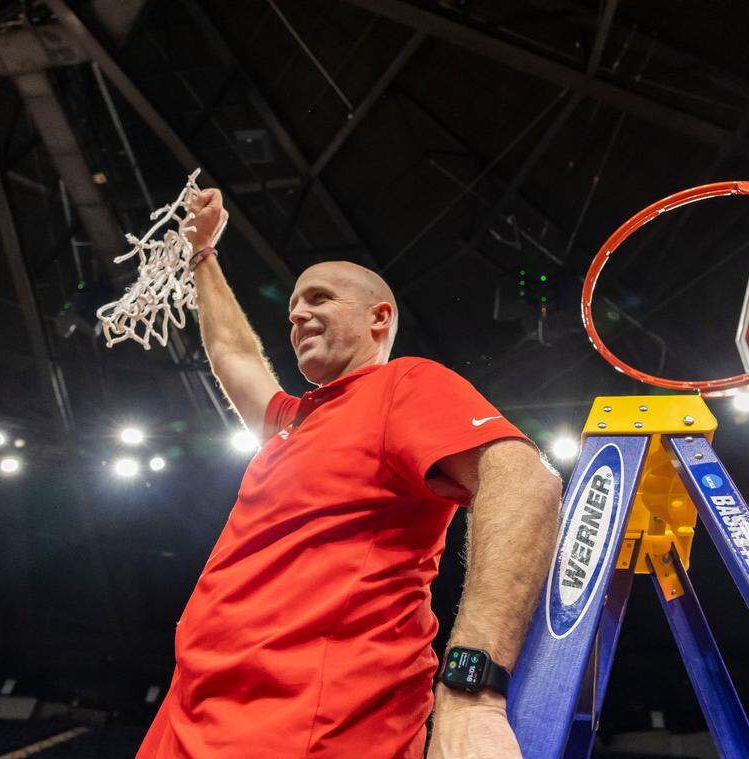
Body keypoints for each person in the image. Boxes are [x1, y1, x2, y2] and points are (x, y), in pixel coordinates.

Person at [136, 188, 561, 758]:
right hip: (192, 708)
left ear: (378, 317)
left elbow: (524, 480)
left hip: (308, 723)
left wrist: (473, 690)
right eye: (292, 309)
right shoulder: (293, 420)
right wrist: (203, 257)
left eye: (319, 298)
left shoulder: (402, 385)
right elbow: (234, 353)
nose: (298, 316)